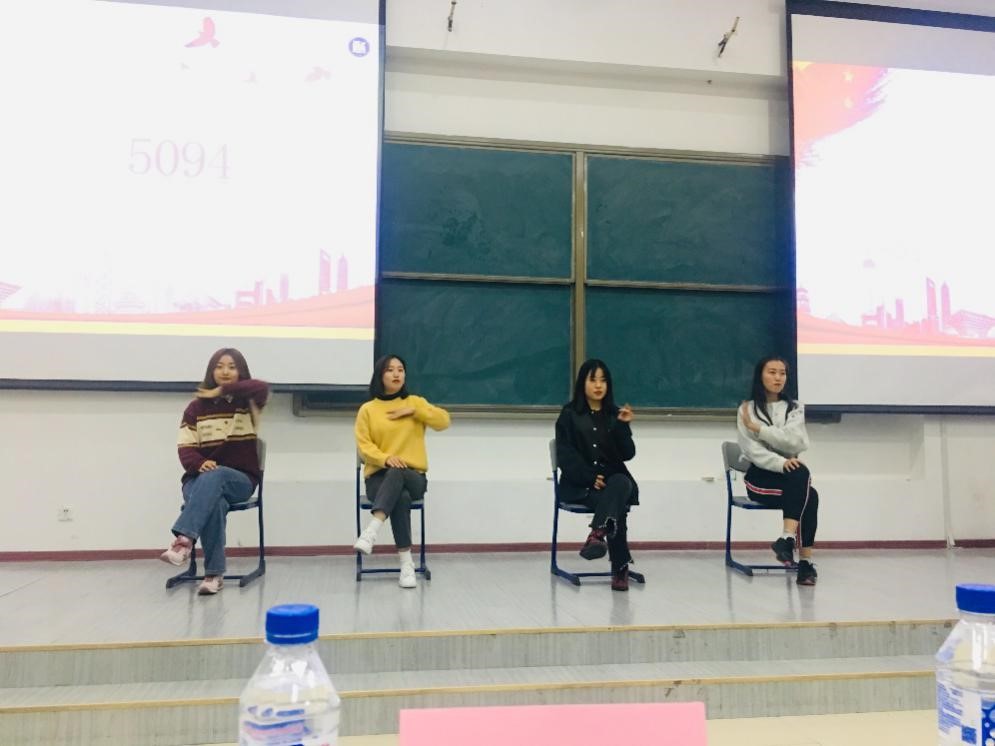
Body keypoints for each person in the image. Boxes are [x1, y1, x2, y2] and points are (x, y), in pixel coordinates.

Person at [160, 348, 269, 595]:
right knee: (215, 502)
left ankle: (184, 540)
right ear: (211, 371)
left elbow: (261, 387)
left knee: (217, 475)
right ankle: (213, 575)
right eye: (219, 367)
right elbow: (185, 448)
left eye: (232, 367)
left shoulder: (249, 403)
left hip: (240, 480)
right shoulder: (195, 408)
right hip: (197, 480)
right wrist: (199, 464)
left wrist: (222, 390)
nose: (225, 371)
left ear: (241, 371)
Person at [353, 354, 450, 588]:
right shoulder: (368, 410)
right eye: (390, 370)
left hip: (414, 477)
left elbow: (444, 421)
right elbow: (364, 446)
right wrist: (386, 459)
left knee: (400, 473)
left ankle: (372, 529)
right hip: (378, 478)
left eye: (400, 369)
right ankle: (407, 565)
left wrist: (414, 411)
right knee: (401, 496)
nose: (396, 374)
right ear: (380, 376)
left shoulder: (415, 402)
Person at [554, 359, 638, 591]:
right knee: (615, 505)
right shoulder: (569, 414)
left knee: (621, 484)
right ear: (583, 383)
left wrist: (623, 427)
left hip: (613, 482)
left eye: (603, 380)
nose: (598, 385)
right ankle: (620, 568)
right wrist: (589, 477)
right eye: (593, 380)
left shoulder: (615, 414)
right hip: (581, 485)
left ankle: (597, 533)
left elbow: (628, 454)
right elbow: (565, 455)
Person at [737, 355, 819, 586]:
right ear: (760, 376)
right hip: (760, 477)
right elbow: (752, 450)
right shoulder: (747, 409)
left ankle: (792, 546)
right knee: (806, 490)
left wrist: (760, 430)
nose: (778, 378)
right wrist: (780, 462)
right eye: (772, 372)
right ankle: (795, 552)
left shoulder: (795, 408)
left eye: (782, 373)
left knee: (808, 490)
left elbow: (796, 443)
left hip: (790, 476)